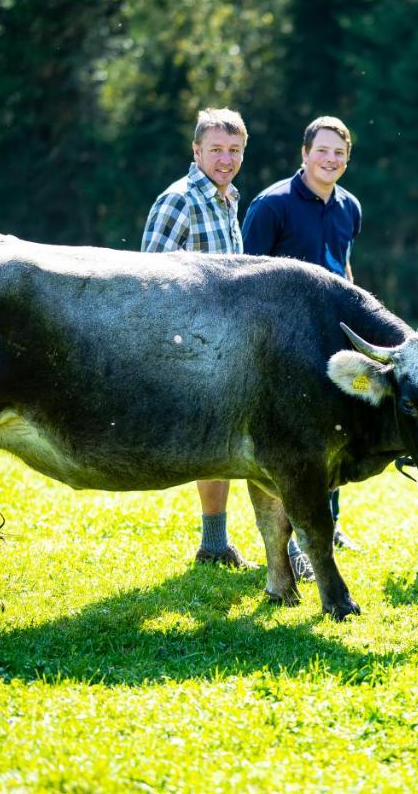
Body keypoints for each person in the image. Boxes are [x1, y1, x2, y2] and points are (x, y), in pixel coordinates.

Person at [242, 116, 363, 560]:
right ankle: (287, 539)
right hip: (281, 348)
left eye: (339, 153)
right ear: (304, 153)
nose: (330, 160)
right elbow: (246, 282)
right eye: (323, 150)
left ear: (347, 160)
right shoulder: (270, 206)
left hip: (333, 344)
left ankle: (329, 527)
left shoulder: (350, 207)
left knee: (333, 434)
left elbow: (344, 270)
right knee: (291, 443)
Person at [140, 107, 255, 570]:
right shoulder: (180, 200)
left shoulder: (228, 199)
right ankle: (214, 543)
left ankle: (214, 545)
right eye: (216, 150)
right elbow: (149, 278)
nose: (225, 159)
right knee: (214, 442)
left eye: (234, 151)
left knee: (224, 441)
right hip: (191, 343)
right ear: (196, 151)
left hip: (226, 344)